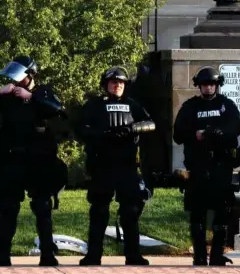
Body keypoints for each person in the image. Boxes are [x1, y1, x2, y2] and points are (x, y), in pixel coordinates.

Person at [76, 66, 156, 266]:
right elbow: (80, 129)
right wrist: (103, 134)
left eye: (121, 83)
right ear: (106, 85)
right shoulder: (94, 105)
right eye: (114, 82)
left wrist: (131, 129)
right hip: (102, 166)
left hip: (127, 167)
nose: (118, 85)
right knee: (99, 212)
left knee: (130, 212)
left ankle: (133, 256)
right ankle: (93, 256)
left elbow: (151, 124)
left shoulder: (132, 105)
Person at [0, 56, 67, 266]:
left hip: (39, 161)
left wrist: (30, 97)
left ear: (30, 75)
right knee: (8, 208)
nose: (17, 81)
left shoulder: (42, 92)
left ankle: (47, 254)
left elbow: (57, 110)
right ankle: (3, 254)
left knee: (42, 207)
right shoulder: (7, 95)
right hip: (13, 160)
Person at [173, 66, 240, 266]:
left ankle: (218, 254)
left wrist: (217, 133)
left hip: (221, 165)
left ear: (217, 85)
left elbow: (235, 130)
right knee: (198, 212)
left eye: (212, 84)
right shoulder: (190, 106)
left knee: (222, 212)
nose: (208, 88)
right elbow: (178, 134)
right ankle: (200, 255)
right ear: (199, 86)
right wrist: (195, 134)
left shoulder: (227, 105)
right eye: (205, 85)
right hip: (198, 166)